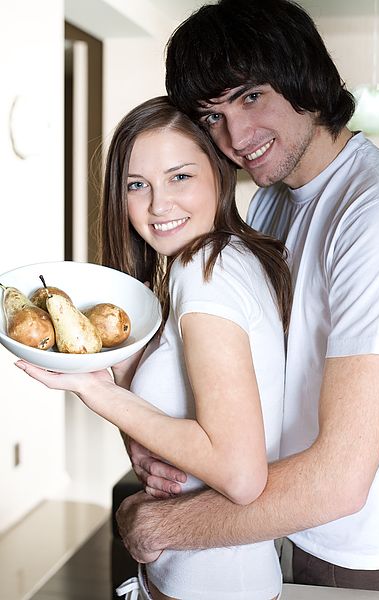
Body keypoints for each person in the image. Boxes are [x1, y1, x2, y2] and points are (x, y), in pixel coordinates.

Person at [116, 0, 379, 593]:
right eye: (212, 116)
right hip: (289, 528)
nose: (237, 137)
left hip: (371, 551)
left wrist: (163, 525)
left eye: (250, 96)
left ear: (304, 75)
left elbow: (342, 480)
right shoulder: (273, 199)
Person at [15, 96, 292, 600]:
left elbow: (240, 474)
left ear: (218, 173)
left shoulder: (207, 272)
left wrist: (94, 392)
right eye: (136, 185)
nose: (158, 205)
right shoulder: (207, 265)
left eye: (180, 177)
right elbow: (168, 417)